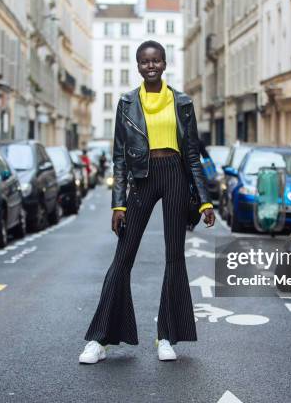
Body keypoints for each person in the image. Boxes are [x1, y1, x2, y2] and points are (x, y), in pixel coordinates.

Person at [79, 40, 215, 364]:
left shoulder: (182, 102)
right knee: (123, 256)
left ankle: (167, 337)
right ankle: (99, 339)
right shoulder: (127, 103)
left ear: (164, 64)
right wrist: (118, 204)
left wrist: (205, 202)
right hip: (142, 176)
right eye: (144, 61)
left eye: (156, 61)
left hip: (175, 175)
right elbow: (119, 158)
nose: (150, 66)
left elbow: (193, 156)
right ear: (138, 66)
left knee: (174, 257)